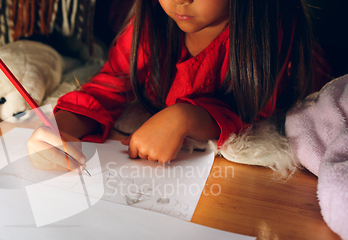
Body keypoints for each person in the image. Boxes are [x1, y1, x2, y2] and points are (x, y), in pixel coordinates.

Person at [28, 0, 320, 170]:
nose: (180, 1)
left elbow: (256, 112)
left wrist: (186, 117)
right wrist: (61, 127)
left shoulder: (271, 25)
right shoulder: (150, 21)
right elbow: (110, 84)